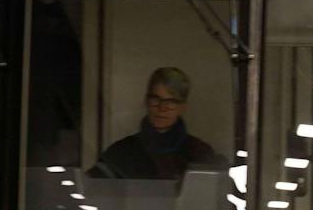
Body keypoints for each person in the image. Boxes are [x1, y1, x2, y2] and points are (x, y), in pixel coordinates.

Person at [91, 66, 226, 180]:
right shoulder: (119, 154)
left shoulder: (201, 155)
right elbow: (91, 193)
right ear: (146, 101)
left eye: (171, 102)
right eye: (156, 99)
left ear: (182, 107)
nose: (162, 108)